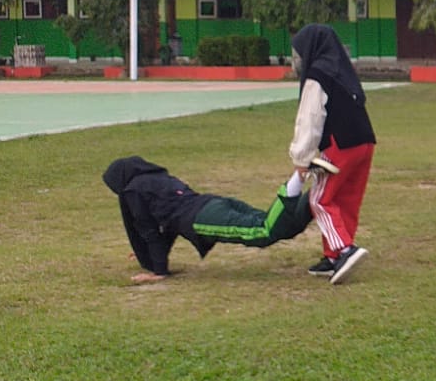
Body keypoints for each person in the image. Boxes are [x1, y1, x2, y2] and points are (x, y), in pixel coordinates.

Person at [102, 156, 318, 283]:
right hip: (215, 203)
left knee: (264, 231)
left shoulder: (132, 191)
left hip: (201, 217)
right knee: (282, 226)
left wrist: (158, 271)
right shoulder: (157, 178)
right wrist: (151, 255)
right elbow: (168, 224)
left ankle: (299, 176)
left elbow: (151, 232)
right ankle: (317, 193)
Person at [290, 23, 376, 284]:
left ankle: (344, 249)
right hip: (364, 142)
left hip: (340, 145)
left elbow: (310, 119)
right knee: (345, 199)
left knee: (320, 199)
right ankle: (332, 257)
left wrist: (301, 159)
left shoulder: (318, 76)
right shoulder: (342, 71)